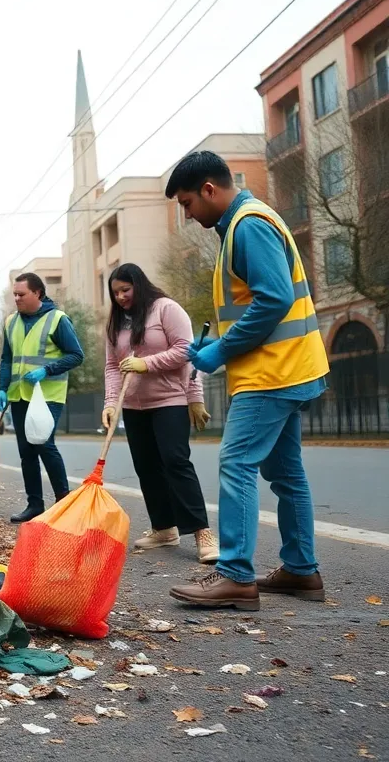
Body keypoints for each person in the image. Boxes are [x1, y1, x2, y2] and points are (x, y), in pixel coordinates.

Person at [165, 151, 329, 611]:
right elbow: (256, 303)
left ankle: (235, 575)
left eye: (187, 203)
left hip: (271, 373)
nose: (187, 213)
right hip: (288, 365)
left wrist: (220, 350)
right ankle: (301, 570)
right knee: (285, 473)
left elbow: (273, 299)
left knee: (236, 462)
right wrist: (217, 343)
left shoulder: (248, 225)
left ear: (210, 190)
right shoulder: (247, 222)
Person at [103, 263, 218, 564]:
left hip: (170, 400)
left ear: (139, 285)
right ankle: (164, 528)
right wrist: (111, 403)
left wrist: (148, 364)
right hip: (133, 406)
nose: (120, 298)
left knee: (175, 462)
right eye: (115, 293)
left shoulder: (166, 309)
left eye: (125, 290)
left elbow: (186, 351)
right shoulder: (116, 322)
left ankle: (202, 533)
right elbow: (112, 366)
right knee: (147, 466)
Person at [0, 273, 84, 523]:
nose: (16, 298)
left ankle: (63, 503)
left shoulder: (57, 320)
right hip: (20, 395)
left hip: (48, 395)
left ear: (38, 294)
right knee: (26, 450)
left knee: (44, 443)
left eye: (21, 294)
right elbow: (6, 359)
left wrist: (47, 370)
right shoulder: (11, 322)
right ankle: (34, 505)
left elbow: (76, 355)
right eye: (14, 294)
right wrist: (2, 387)